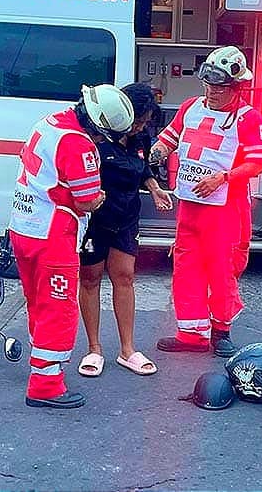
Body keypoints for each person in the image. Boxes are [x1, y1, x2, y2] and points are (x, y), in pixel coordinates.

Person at [9, 83, 135, 409]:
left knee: (37, 300)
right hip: (53, 234)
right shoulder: (78, 144)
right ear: (99, 127)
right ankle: (46, 385)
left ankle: (40, 364)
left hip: (23, 226)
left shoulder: (50, 123)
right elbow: (88, 199)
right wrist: (100, 199)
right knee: (59, 306)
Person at [149, 46, 262, 357]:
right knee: (186, 267)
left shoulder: (249, 119)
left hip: (225, 210)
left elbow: (257, 163)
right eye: (209, 84)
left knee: (222, 269)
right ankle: (191, 333)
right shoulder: (191, 107)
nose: (212, 91)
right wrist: (150, 156)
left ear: (237, 86)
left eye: (220, 86)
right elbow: (169, 139)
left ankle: (221, 330)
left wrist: (223, 177)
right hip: (189, 206)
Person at [77, 83, 173, 378]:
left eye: (145, 122)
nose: (142, 126)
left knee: (125, 276)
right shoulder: (97, 137)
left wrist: (155, 189)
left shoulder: (140, 137)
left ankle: (127, 349)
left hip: (126, 216)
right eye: (139, 120)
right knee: (91, 278)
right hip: (95, 219)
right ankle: (94, 348)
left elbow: (144, 170)